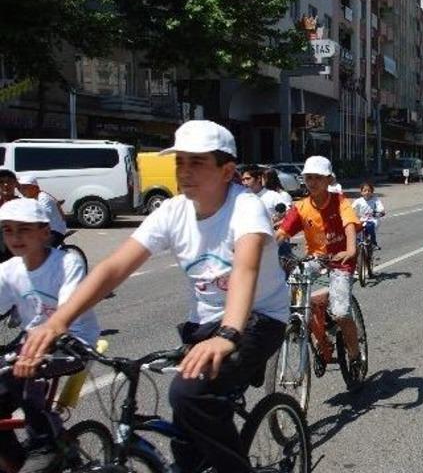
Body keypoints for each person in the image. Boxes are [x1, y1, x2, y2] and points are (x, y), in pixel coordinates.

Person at [16, 120, 289, 473]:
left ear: (227, 171)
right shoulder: (172, 211)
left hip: (258, 319)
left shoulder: (245, 206)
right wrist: (57, 322)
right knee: (186, 435)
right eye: (180, 162)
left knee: (187, 394)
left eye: (196, 162)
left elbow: (245, 268)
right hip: (205, 325)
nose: (184, 172)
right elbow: (114, 268)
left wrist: (228, 334)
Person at [0, 199, 100, 473]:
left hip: (73, 342)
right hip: (30, 343)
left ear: (45, 232)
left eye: (24, 229)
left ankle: (45, 444)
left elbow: (68, 310)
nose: (15, 237)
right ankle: (17, 459)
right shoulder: (9, 269)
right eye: (8, 230)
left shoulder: (67, 262)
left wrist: (40, 346)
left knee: (30, 377)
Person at [276, 156, 364, 379]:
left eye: (318, 178)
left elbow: (350, 225)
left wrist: (351, 249)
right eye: (308, 178)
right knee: (296, 294)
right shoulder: (301, 207)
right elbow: (282, 233)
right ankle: (321, 341)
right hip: (315, 259)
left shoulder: (339, 201)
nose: (312, 182)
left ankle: (355, 355)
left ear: (328, 180)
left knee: (342, 312)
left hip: (341, 259)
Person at [16, 175, 68, 248]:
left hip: (55, 229)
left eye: (25, 187)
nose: (22, 190)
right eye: (20, 187)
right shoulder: (25, 196)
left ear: (35, 188)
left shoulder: (44, 199)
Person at [352, 183, 385, 249]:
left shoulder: (375, 200)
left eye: (369, 191)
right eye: (365, 190)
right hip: (362, 220)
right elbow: (351, 208)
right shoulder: (358, 201)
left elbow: (381, 209)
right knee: (354, 231)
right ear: (361, 192)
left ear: (372, 192)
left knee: (369, 226)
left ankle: (373, 242)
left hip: (373, 220)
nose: (367, 192)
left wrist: (381, 212)